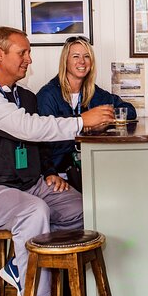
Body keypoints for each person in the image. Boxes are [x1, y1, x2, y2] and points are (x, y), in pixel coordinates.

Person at [0, 27, 113, 296]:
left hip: (26, 184)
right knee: (33, 210)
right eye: (22, 52)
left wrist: (49, 172)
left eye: (28, 52)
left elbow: (36, 142)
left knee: (86, 208)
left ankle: (18, 263)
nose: (29, 59)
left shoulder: (24, 95)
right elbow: (25, 127)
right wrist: (81, 122)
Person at [36, 36, 135, 192]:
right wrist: (50, 173)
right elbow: (41, 140)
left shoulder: (94, 92)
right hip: (59, 172)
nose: (82, 61)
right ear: (65, 61)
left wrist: (104, 121)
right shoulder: (48, 94)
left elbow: (129, 111)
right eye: (76, 56)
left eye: (86, 56)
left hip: (89, 168)